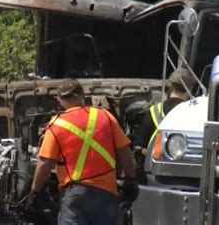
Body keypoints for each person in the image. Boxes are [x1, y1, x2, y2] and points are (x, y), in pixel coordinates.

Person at [26, 78, 138, 225]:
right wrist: (130, 179)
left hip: (74, 195)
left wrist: (34, 191)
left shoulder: (56, 125)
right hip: (107, 193)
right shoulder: (105, 116)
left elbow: (45, 163)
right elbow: (124, 151)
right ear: (82, 95)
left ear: (59, 100)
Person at [134, 68, 197, 152]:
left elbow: (139, 145)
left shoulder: (155, 111)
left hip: (157, 163)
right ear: (190, 89)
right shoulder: (194, 112)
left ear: (171, 87)